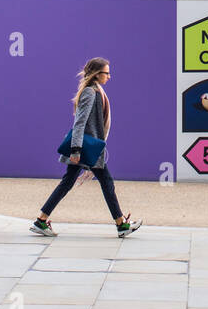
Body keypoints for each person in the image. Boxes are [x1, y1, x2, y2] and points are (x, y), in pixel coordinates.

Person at [30, 57, 142, 238]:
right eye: (106, 73)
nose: (109, 76)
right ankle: (121, 224)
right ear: (97, 74)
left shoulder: (97, 90)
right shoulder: (91, 92)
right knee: (106, 182)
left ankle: (41, 220)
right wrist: (75, 150)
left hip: (88, 147)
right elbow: (79, 122)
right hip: (86, 148)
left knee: (68, 183)